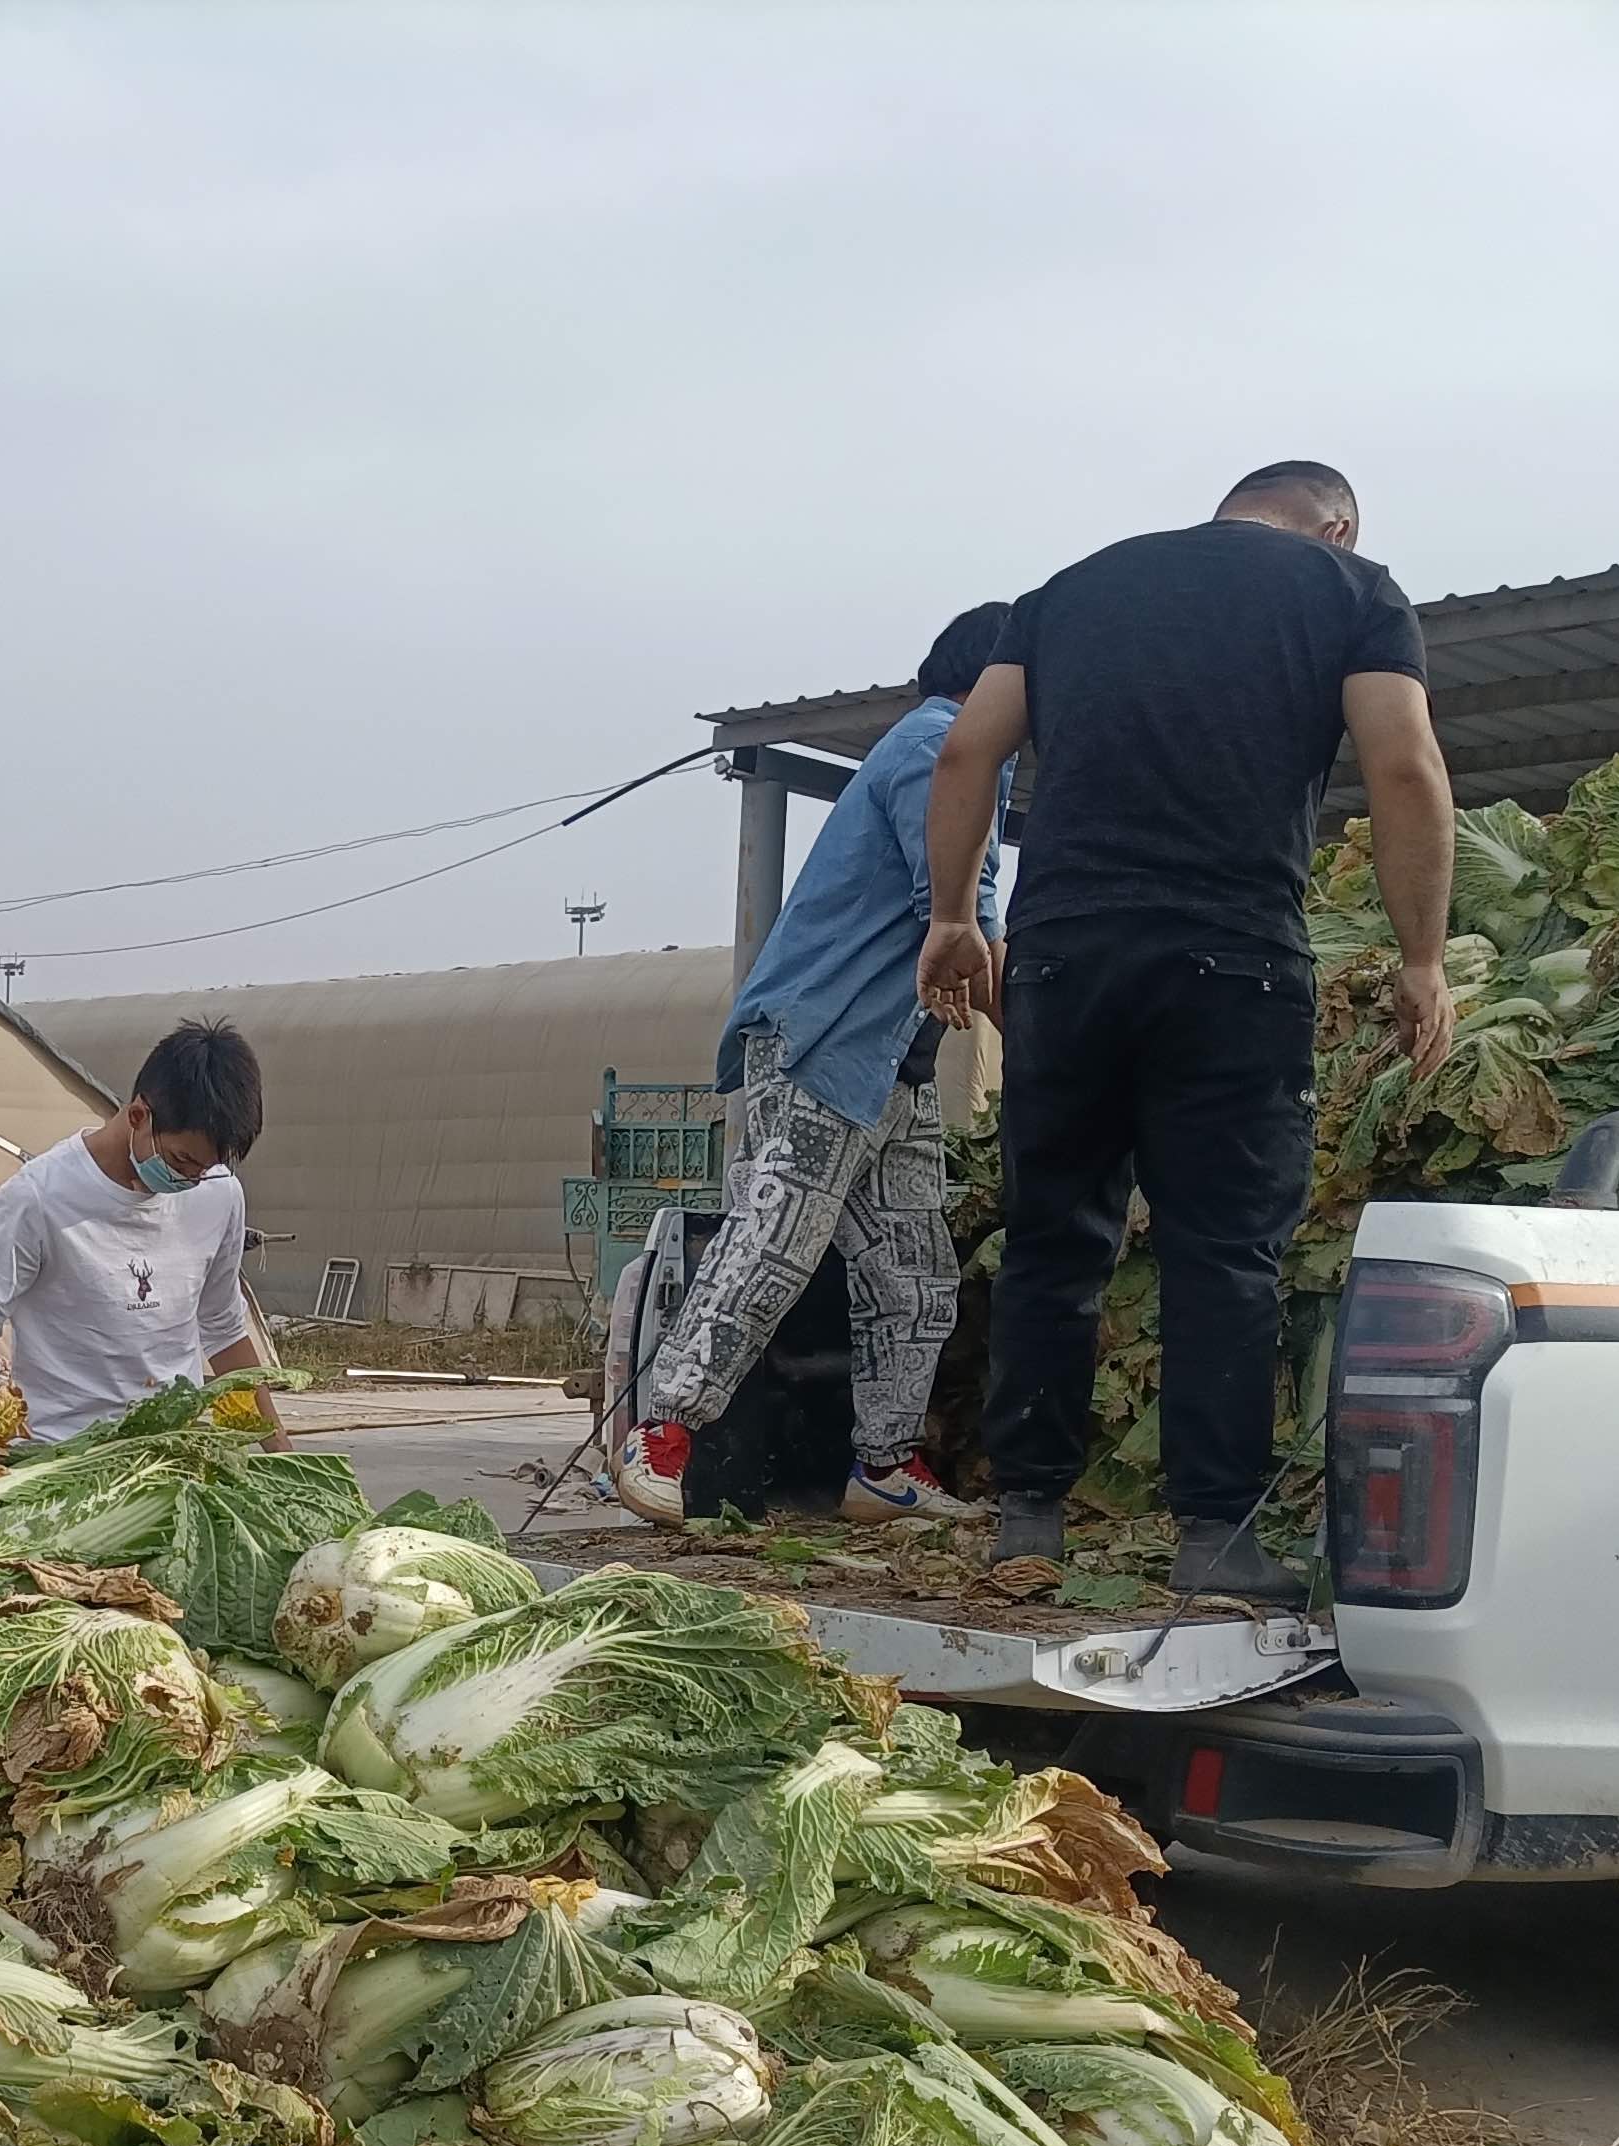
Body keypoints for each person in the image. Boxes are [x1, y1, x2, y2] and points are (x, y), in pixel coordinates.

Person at [917, 460, 1456, 1606]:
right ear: (1337, 526)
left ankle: (1028, 1518)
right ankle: (1215, 1538)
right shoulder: (1352, 592)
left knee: (1054, 1239)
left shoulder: (1066, 591)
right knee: (1222, 1251)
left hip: (1063, 960)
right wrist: (1419, 960)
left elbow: (968, 751)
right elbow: (1401, 765)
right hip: (1232, 963)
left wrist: (957, 919)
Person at [615, 601, 1018, 1528]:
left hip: (895, 1065)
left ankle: (881, 1466)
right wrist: (1055, 1041)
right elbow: (961, 912)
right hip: (824, 1047)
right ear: (997, 678)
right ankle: (662, 1434)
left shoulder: (967, 757)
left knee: (913, 1274)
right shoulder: (939, 748)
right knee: (771, 1245)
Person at [0, 1018, 285, 1455]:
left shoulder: (218, 1193)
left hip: (175, 1461)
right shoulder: (39, 1197)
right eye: (182, 1160)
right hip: (61, 1464)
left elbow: (224, 1332)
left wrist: (282, 1458)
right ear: (138, 1115)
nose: (191, 1180)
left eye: (204, 1169)